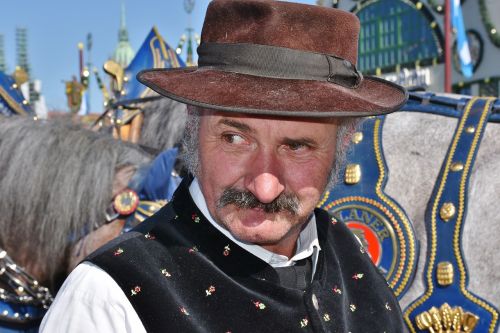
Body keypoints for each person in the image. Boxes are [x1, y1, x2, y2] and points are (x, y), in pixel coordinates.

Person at [41, 0, 408, 332]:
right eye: (235, 139)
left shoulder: (352, 258)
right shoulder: (109, 300)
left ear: (344, 142)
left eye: (297, 147)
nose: (264, 188)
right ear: (192, 124)